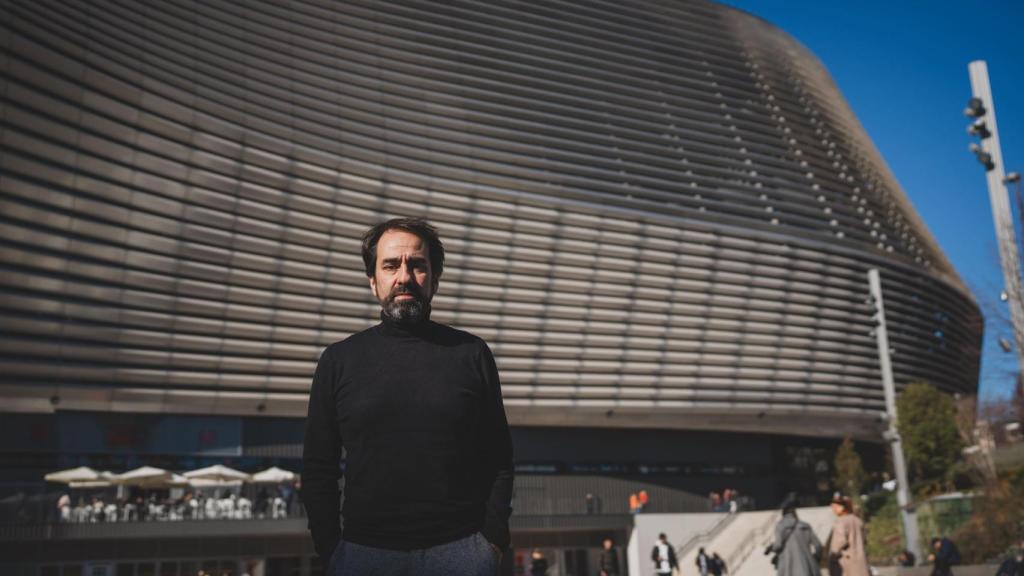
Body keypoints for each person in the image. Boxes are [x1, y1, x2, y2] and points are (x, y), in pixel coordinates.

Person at [301, 218, 514, 575]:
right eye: (390, 265)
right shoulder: (338, 361)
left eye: (417, 265)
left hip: (462, 553)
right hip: (364, 555)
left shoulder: (471, 354)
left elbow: (498, 457)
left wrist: (491, 542)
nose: (404, 277)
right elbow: (318, 466)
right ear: (373, 281)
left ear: (434, 279)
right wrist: (331, 549)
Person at [765, 494, 822, 576]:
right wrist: (815, 559)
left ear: (783, 514)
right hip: (808, 567)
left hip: (789, 567)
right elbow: (818, 545)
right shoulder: (805, 526)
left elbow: (778, 545)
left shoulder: (781, 526)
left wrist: (770, 548)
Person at [828, 495, 869, 576]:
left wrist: (833, 554)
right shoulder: (858, 520)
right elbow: (864, 539)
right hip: (860, 560)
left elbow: (840, 541)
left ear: (843, 507)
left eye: (835, 506)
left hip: (846, 561)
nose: (833, 509)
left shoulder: (841, 522)